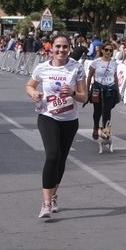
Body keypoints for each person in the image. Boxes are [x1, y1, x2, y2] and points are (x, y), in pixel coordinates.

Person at [27, 33, 87, 219]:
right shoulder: (42, 68)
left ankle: (54, 196)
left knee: (61, 160)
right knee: (52, 156)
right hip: (48, 117)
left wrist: (73, 93)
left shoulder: (76, 68)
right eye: (58, 46)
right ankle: (45, 203)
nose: (61, 50)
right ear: (51, 48)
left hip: (70, 120)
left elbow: (83, 97)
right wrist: (33, 94)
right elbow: (29, 85)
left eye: (65, 47)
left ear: (69, 48)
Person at [88, 42, 121, 154]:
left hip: (110, 89)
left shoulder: (114, 63)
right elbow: (89, 77)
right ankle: (96, 127)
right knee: (97, 111)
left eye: (110, 50)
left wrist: (118, 91)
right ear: (102, 50)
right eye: (106, 50)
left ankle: (105, 131)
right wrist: (88, 89)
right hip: (97, 88)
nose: (108, 52)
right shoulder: (95, 62)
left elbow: (115, 77)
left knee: (107, 111)